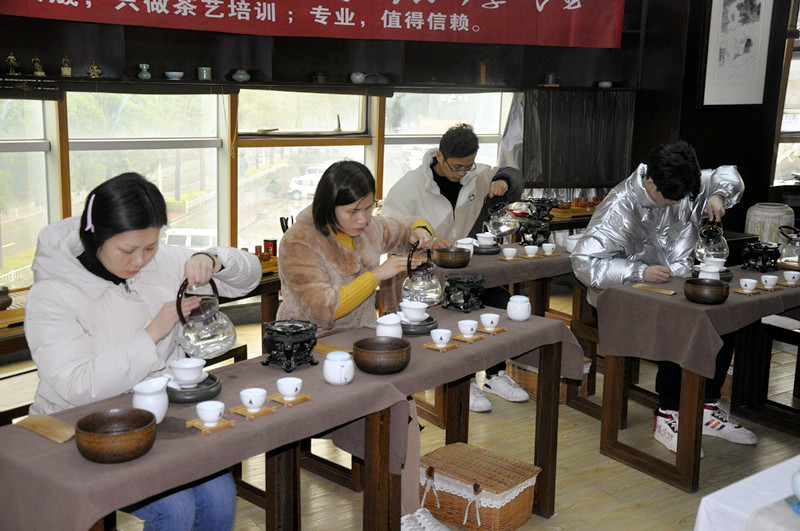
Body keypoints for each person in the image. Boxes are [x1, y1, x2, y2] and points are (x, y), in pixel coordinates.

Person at [24, 172, 262, 530]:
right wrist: (153, 333)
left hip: (159, 418)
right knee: (176, 508)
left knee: (220, 493)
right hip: (81, 427)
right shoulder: (52, 293)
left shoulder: (160, 260)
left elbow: (251, 276)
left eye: (150, 246)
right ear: (97, 237)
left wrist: (211, 259)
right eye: (128, 250)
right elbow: (77, 385)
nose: (140, 261)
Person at [277, 160, 445, 529]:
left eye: (369, 208)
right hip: (308, 345)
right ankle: (404, 506)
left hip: (358, 340)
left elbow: (402, 227)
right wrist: (377, 275)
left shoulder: (366, 226)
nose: (363, 219)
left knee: (401, 402)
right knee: (394, 404)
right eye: (353, 210)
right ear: (327, 205)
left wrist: (420, 231)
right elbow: (323, 308)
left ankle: (405, 506)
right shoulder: (299, 241)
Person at [570, 141, 757, 454]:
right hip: (624, 296)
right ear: (651, 182)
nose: (675, 203)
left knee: (724, 317)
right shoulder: (620, 205)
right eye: (669, 198)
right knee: (679, 325)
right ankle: (668, 414)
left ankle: (706, 408)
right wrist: (638, 271)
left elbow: (728, 173)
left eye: (682, 198)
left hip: (676, 285)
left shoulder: (684, 184)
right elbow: (584, 263)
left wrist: (717, 194)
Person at [381, 123, 529, 413]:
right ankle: (464, 381)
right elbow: (389, 233)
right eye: (458, 167)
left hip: (466, 271)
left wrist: (503, 182)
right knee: (460, 312)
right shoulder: (409, 187)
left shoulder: (477, 174)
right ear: (439, 156)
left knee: (502, 305)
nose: (463, 173)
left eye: (468, 166)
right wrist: (427, 241)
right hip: (422, 276)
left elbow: (514, 176)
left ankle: (495, 374)